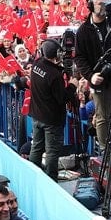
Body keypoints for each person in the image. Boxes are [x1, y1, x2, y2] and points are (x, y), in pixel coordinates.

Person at [27, 39, 77, 180]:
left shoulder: (36, 64)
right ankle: (51, 180)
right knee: (52, 152)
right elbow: (62, 98)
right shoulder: (54, 75)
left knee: (36, 147)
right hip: (51, 120)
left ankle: (31, 176)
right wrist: (72, 86)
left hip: (37, 115)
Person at [73, 0, 111, 155]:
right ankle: (105, 150)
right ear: (90, 5)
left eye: (105, 2)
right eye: (99, 2)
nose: (103, 5)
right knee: (103, 116)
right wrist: (90, 76)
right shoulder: (83, 31)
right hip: (99, 80)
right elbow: (79, 58)